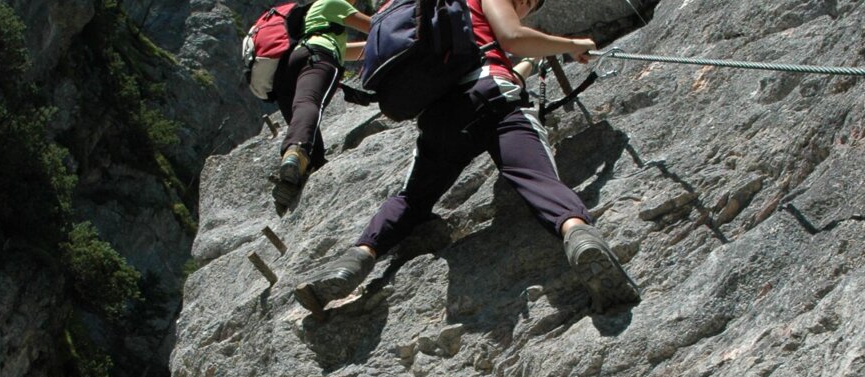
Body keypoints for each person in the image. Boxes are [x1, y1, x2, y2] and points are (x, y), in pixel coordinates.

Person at [293, 0, 640, 314]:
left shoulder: (428, 16)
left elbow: (367, 51)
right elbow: (513, 38)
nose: (526, 8)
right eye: (529, 3)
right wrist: (572, 45)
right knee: (537, 177)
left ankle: (355, 261)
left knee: (412, 198)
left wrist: (528, 66)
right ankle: (578, 235)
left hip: (440, 116)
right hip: (493, 96)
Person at [272, 0, 372, 211]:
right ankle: (295, 154)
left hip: (289, 68)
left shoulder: (315, 20)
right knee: (310, 105)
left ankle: (293, 185)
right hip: (318, 58)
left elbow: (352, 51)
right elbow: (378, 28)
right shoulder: (333, 3)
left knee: (309, 135)